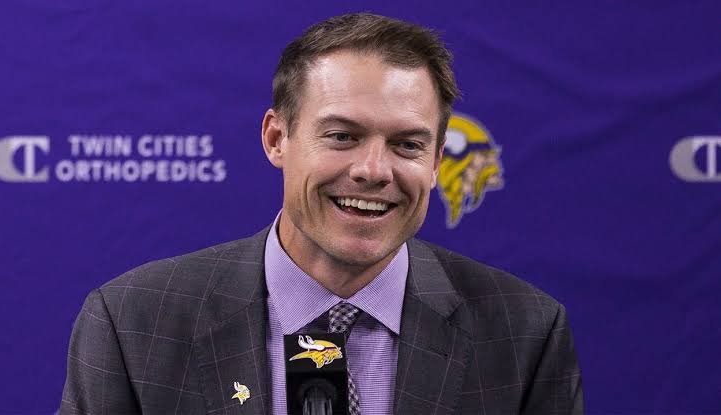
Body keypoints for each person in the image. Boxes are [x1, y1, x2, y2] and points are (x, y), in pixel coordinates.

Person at [60, 13, 583, 414]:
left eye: (407, 144)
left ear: (435, 162)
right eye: (342, 136)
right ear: (276, 138)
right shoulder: (134, 322)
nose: (373, 170)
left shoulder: (525, 331)